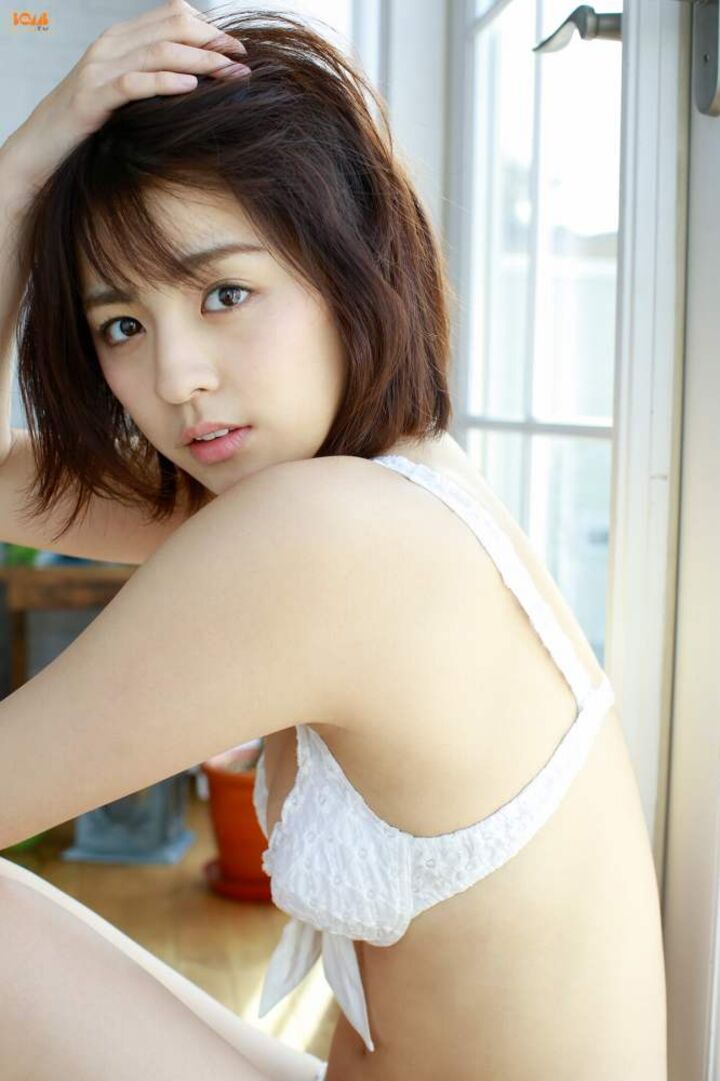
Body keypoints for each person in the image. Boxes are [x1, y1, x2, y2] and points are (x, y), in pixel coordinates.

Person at [0, 2, 667, 1078]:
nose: (175, 378)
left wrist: (27, 167)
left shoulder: (331, 536)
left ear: (349, 266)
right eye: (122, 324)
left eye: (225, 293)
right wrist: (28, 164)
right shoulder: (384, 489)